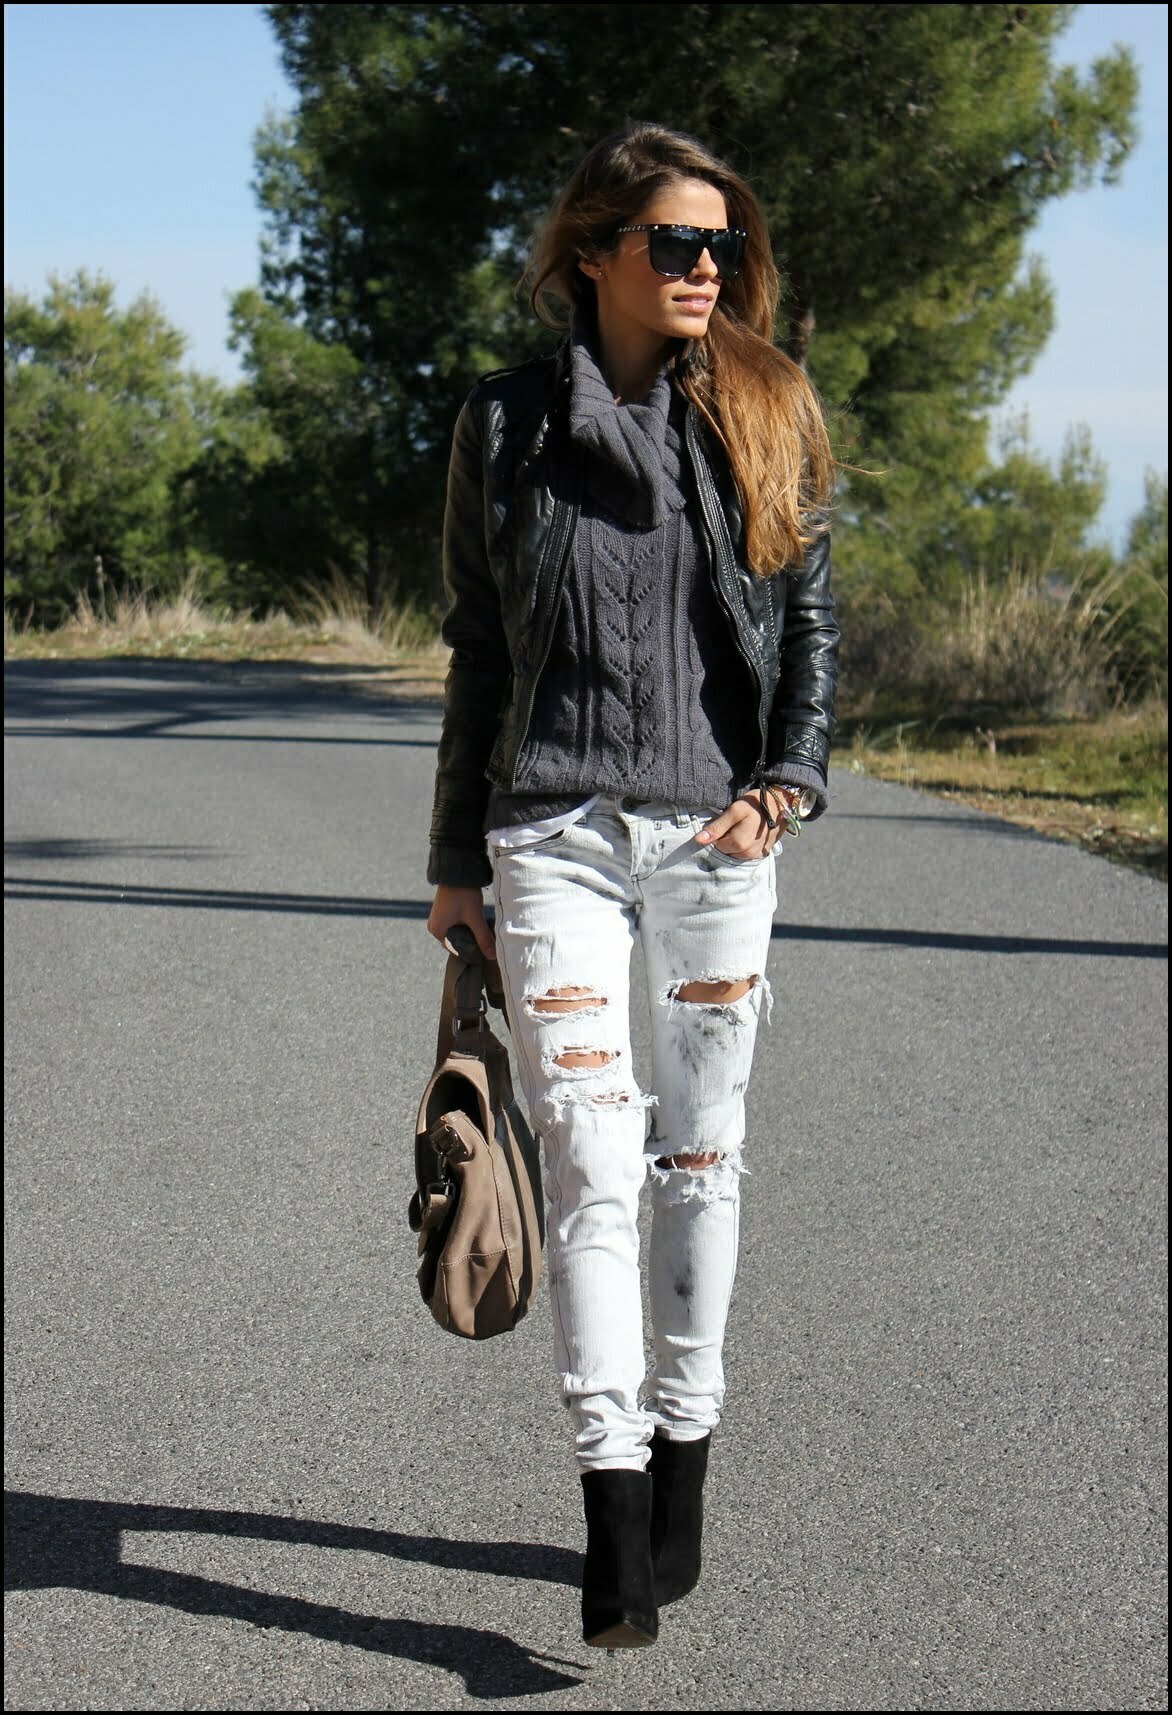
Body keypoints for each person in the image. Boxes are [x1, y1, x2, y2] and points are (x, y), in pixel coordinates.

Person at [425, 120, 839, 1651]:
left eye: (721, 244)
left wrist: (788, 780)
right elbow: (479, 650)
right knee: (594, 1154)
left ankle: (686, 1451)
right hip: (553, 839)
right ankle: (609, 1499)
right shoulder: (505, 424)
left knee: (700, 1158)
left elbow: (809, 624)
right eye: (675, 242)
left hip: (717, 844)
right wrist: (453, 859)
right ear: (595, 252)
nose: (705, 267)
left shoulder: (767, 406)